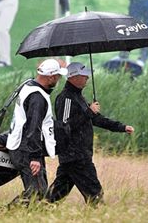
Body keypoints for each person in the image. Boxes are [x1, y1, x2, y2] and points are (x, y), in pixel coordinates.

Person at [46, 62, 134, 206]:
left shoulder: (78, 97)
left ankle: (29, 209)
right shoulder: (66, 98)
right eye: (84, 74)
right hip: (75, 157)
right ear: (73, 77)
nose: (87, 77)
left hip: (76, 157)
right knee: (95, 195)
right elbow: (65, 126)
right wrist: (89, 112)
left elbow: (96, 119)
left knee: (53, 196)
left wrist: (122, 127)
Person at [6, 59, 68, 208]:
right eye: (58, 77)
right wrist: (34, 157)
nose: (59, 80)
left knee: (41, 192)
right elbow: (33, 128)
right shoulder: (38, 98)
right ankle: (2, 214)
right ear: (51, 77)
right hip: (25, 150)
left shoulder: (28, 86)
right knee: (36, 192)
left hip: (21, 145)